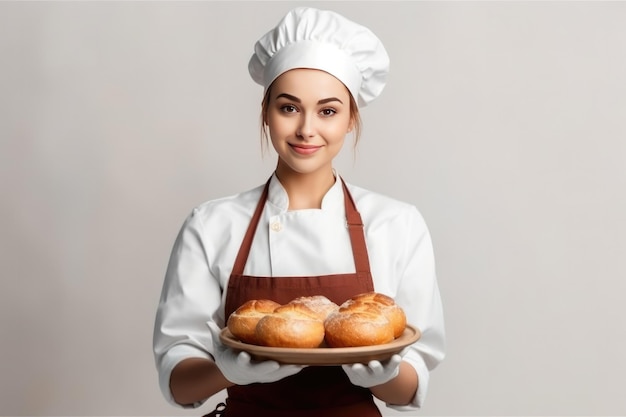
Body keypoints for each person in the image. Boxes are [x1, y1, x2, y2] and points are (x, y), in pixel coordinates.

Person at [153, 7, 445, 417]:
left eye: (328, 111)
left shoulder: (397, 225)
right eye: (289, 108)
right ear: (266, 113)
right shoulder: (212, 225)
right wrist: (228, 369)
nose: (307, 128)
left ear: (349, 121)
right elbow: (179, 384)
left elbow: (410, 387)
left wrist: (381, 377)